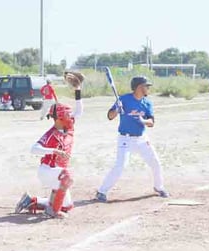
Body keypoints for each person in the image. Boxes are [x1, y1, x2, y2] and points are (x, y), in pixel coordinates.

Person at [15, 72, 84, 219]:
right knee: (67, 176)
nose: (70, 118)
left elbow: (79, 111)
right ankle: (52, 212)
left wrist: (78, 90)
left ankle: (31, 201)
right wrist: (54, 151)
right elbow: (33, 149)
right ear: (58, 118)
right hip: (47, 171)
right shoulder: (51, 134)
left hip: (56, 171)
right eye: (66, 116)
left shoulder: (69, 127)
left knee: (67, 206)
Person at [95, 76, 169, 202]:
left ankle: (159, 186)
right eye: (146, 86)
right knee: (120, 166)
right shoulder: (124, 99)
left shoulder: (147, 103)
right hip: (125, 139)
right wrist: (117, 110)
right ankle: (102, 191)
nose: (148, 89)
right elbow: (110, 116)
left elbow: (151, 122)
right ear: (139, 87)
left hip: (141, 138)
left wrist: (143, 121)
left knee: (155, 162)